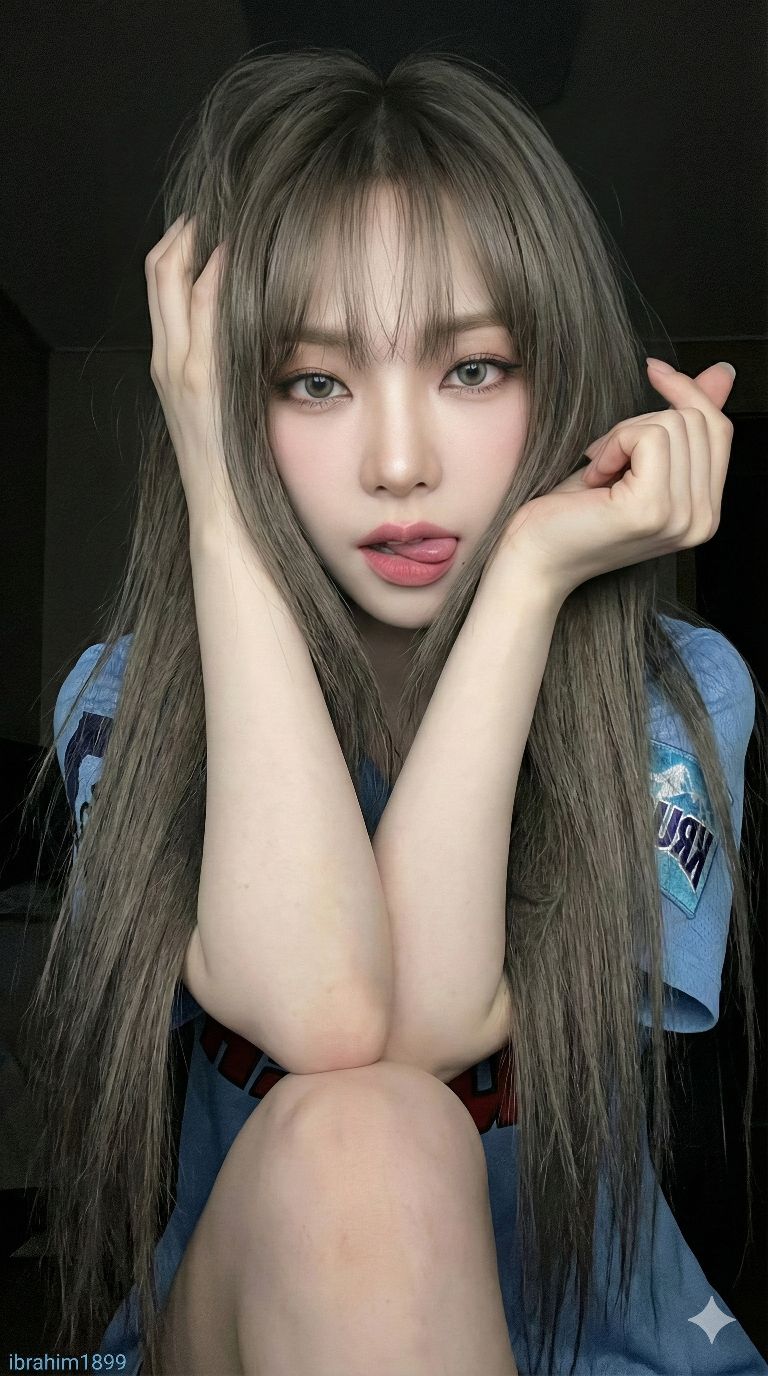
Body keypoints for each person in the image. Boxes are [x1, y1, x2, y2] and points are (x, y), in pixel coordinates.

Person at [22, 46, 767, 1376]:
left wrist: (530, 579)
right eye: (312, 381)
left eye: (473, 368)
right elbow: (335, 1021)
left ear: (555, 371)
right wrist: (214, 488)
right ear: (228, 400)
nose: (400, 463)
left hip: (592, 1338)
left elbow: (427, 1024)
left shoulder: (674, 692)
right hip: (243, 1330)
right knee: (361, 1142)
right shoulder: (128, 704)